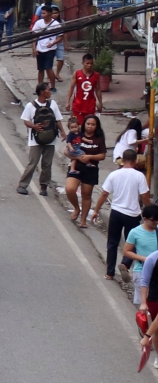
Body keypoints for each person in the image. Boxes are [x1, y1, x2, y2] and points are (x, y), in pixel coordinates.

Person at [101, 151, 152, 279]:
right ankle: (125, 263)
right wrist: (149, 210)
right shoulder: (139, 176)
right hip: (132, 214)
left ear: (122, 160)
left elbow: (104, 193)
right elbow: (145, 196)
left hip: (116, 212)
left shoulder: (114, 174)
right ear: (135, 161)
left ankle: (109, 272)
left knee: (112, 242)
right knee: (133, 242)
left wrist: (96, 210)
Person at [17, 81, 63, 196]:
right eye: (48, 90)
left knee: (47, 164)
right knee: (33, 163)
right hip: (35, 140)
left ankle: (44, 187)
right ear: (42, 92)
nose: (50, 92)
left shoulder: (53, 104)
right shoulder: (30, 106)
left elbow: (57, 120)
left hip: (50, 139)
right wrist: (34, 126)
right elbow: (26, 121)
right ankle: (22, 185)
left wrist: (63, 131)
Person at [65, 113, 109, 226]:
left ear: (96, 126)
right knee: (70, 189)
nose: (90, 126)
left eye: (93, 124)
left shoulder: (99, 139)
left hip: (91, 169)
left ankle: (83, 219)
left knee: (86, 194)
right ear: (83, 124)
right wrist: (78, 157)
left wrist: (90, 157)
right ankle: (76, 208)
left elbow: (103, 156)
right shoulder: (76, 134)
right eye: (88, 124)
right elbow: (67, 151)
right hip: (77, 167)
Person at [123, 202, 158, 289]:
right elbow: (126, 252)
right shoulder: (135, 232)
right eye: (153, 220)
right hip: (141, 271)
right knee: (142, 300)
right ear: (145, 219)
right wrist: (144, 259)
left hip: (156, 271)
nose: (156, 222)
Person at [68, 52, 102, 131]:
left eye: (91, 63)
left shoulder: (96, 75)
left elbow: (98, 90)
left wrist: (100, 103)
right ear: (83, 63)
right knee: (76, 127)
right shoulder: (77, 74)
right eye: (87, 63)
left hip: (90, 106)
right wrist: (68, 101)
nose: (89, 65)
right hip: (78, 106)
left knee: (89, 128)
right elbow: (71, 88)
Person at [31, 4, 59, 88]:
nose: (42, 15)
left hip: (50, 49)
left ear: (50, 14)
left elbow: (60, 36)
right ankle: (40, 87)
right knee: (40, 69)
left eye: (44, 13)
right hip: (40, 49)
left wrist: (53, 43)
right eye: (42, 13)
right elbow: (34, 36)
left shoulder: (56, 24)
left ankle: (53, 86)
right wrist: (34, 48)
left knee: (48, 68)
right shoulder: (38, 23)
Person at [49, 4, 68, 84]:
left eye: (57, 13)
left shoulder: (62, 22)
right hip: (50, 43)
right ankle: (50, 76)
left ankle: (57, 74)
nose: (55, 15)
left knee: (61, 59)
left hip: (60, 43)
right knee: (49, 61)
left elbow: (65, 33)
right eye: (53, 13)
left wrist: (66, 44)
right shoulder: (47, 22)